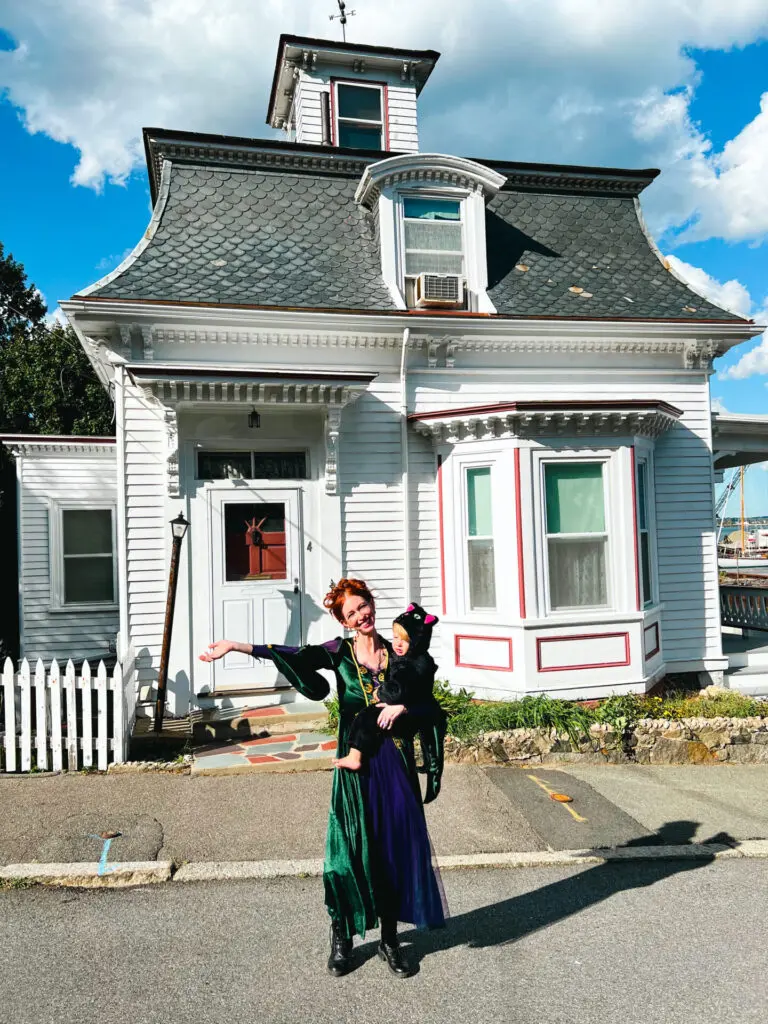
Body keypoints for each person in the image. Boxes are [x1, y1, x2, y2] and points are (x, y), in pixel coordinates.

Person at [199, 578, 447, 979]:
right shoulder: (340, 652)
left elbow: (430, 706)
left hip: (395, 763)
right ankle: (342, 937)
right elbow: (293, 654)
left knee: (391, 850)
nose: (361, 615)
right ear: (345, 622)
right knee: (347, 853)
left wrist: (404, 709)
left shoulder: (402, 651)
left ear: (371, 603)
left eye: (363, 606)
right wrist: (237, 645)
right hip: (357, 762)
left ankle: (388, 941)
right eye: (351, 613)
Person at [333, 603, 440, 772]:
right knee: (366, 716)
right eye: (395, 637)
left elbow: (401, 688)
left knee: (366, 716)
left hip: (401, 727)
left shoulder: (413, 663)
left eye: (405, 640)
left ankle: (355, 757)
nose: (397, 644)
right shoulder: (405, 657)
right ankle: (354, 756)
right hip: (393, 721)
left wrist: (384, 694)